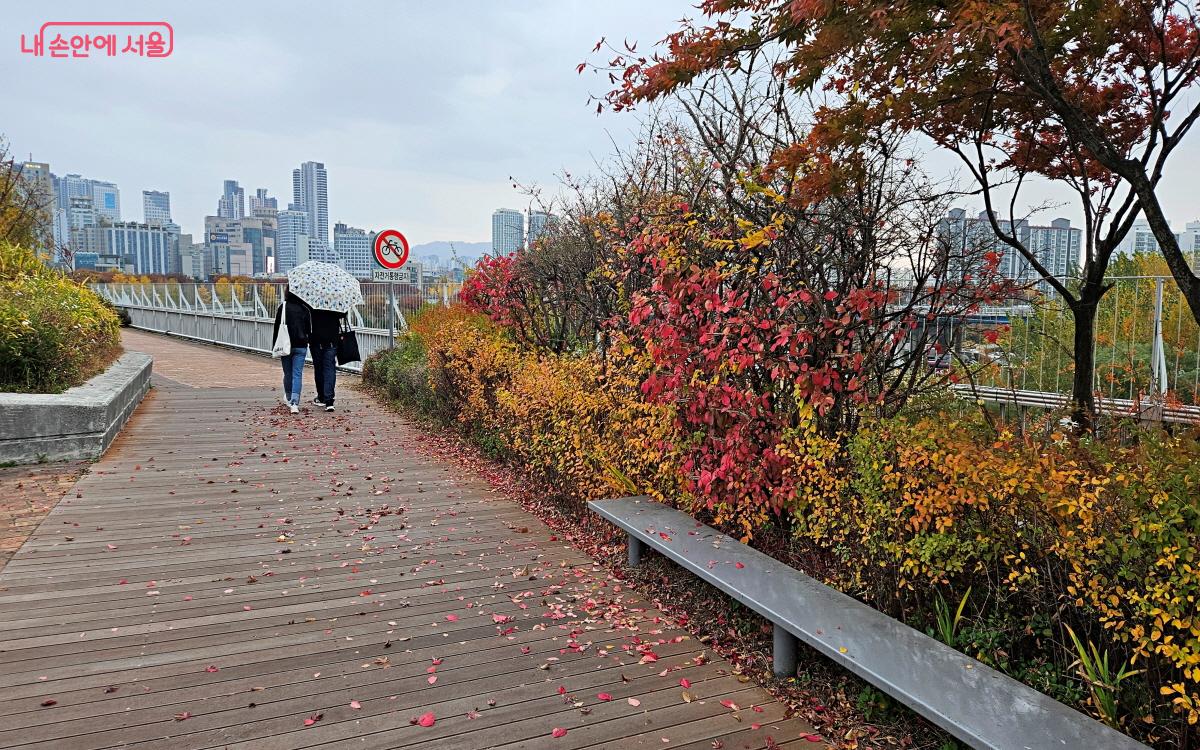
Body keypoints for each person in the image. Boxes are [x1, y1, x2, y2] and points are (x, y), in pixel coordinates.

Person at [272, 291, 312, 414]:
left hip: (285, 345)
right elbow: (309, 329)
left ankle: (289, 398)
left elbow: (277, 327)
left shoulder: (283, 307)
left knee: (287, 373)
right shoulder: (305, 309)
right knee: (297, 374)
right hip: (301, 346)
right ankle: (295, 403)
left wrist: (274, 346)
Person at [310, 308, 346, 412]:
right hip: (331, 340)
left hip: (316, 341)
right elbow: (343, 314)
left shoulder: (312, 302)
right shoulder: (335, 303)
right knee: (330, 369)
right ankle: (329, 401)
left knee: (319, 368)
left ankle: (321, 397)